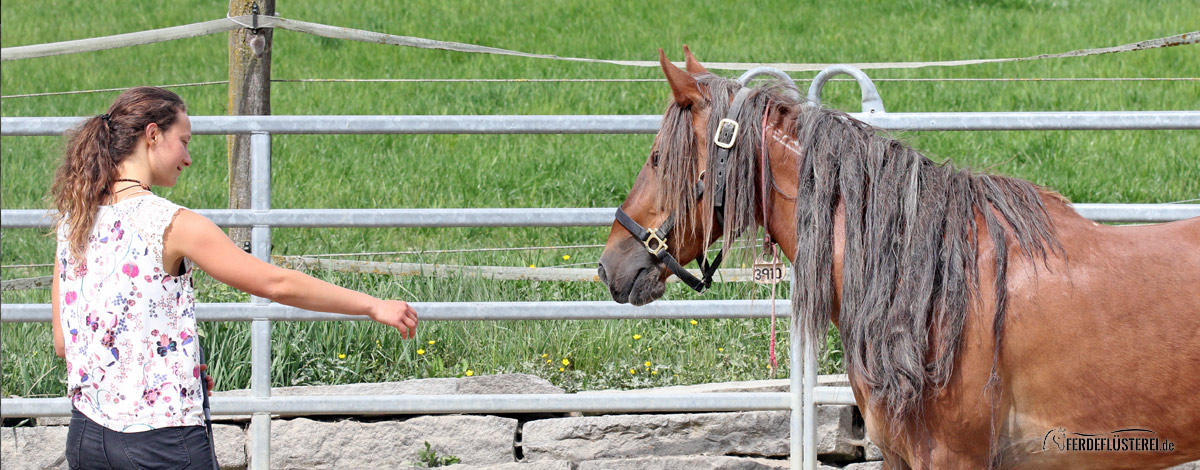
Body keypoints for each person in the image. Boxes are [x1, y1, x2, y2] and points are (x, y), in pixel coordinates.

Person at [50, 86, 419, 469]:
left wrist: (171, 362)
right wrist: (372, 305)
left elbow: (66, 343)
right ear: (153, 134)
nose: (188, 158)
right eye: (184, 141)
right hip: (158, 439)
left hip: (87, 436)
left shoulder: (74, 221)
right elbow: (275, 283)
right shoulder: (168, 222)